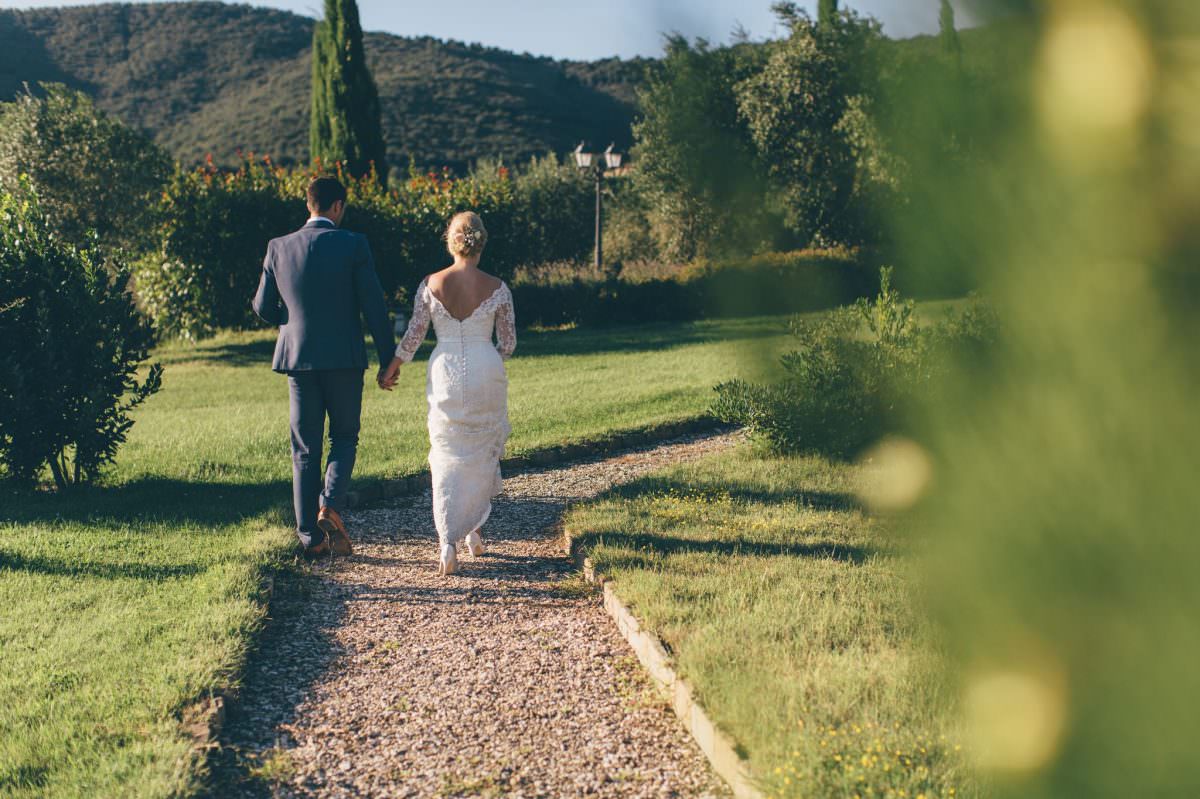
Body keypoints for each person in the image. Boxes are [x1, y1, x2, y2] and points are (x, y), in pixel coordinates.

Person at [252, 176, 396, 556]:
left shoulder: (278, 247)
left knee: (304, 448)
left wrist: (292, 318)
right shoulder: (353, 244)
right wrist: (388, 358)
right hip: (345, 360)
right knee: (345, 436)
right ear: (337, 207)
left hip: (297, 360)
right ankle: (329, 505)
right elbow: (374, 307)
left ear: (308, 205)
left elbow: (263, 307)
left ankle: (309, 539)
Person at [380, 211, 516, 576]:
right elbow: (508, 342)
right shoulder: (498, 288)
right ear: (481, 242)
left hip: (445, 371)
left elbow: (413, 334)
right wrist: (488, 358)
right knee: (479, 450)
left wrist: (393, 365)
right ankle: (474, 531)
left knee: (446, 453)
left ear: (451, 241)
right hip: (486, 370)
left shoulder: (431, 284)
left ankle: (447, 543)